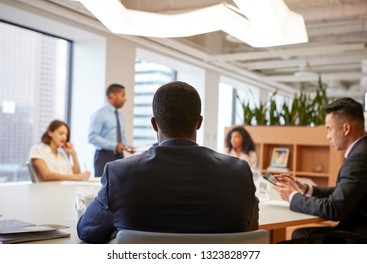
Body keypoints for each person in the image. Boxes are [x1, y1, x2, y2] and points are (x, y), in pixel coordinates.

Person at [77, 81, 259, 243]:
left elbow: (87, 231)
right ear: (199, 123)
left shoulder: (119, 173)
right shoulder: (239, 171)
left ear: (154, 124)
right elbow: (250, 228)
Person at [274, 97, 367, 243]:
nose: (327, 136)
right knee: (300, 233)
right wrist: (306, 189)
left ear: (346, 128)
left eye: (329, 129)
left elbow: (334, 208)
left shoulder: (359, 158)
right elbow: (341, 192)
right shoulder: (361, 151)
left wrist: (292, 197)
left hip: (357, 237)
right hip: (356, 230)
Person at [88, 84, 135, 177]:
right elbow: (92, 137)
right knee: (102, 186)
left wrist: (126, 147)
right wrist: (114, 145)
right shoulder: (99, 114)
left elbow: (121, 135)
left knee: (120, 185)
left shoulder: (121, 116)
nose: (125, 99)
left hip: (119, 157)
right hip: (104, 157)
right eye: (122, 95)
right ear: (112, 95)